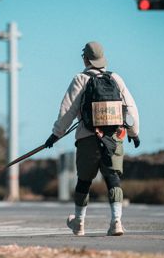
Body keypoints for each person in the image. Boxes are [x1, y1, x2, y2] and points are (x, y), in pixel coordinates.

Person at [45, 41, 140, 236]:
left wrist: (56, 134)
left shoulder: (80, 79)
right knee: (112, 177)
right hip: (113, 137)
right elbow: (130, 108)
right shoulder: (115, 78)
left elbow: (67, 110)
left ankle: (79, 223)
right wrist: (133, 132)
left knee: (84, 181)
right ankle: (116, 222)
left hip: (87, 137)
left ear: (85, 59)